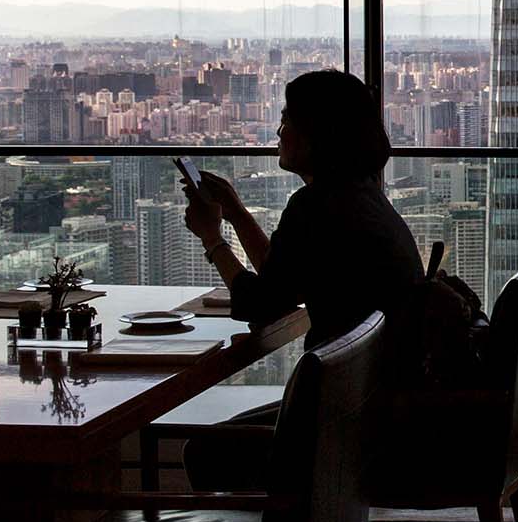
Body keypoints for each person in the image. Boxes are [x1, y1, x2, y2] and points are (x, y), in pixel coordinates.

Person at [181, 68, 423, 347]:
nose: (279, 132)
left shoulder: (316, 206)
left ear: (314, 134)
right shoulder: (362, 195)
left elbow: (259, 305)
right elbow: (283, 282)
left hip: (341, 387)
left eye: (286, 121)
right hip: (375, 381)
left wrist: (212, 238)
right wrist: (235, 213)